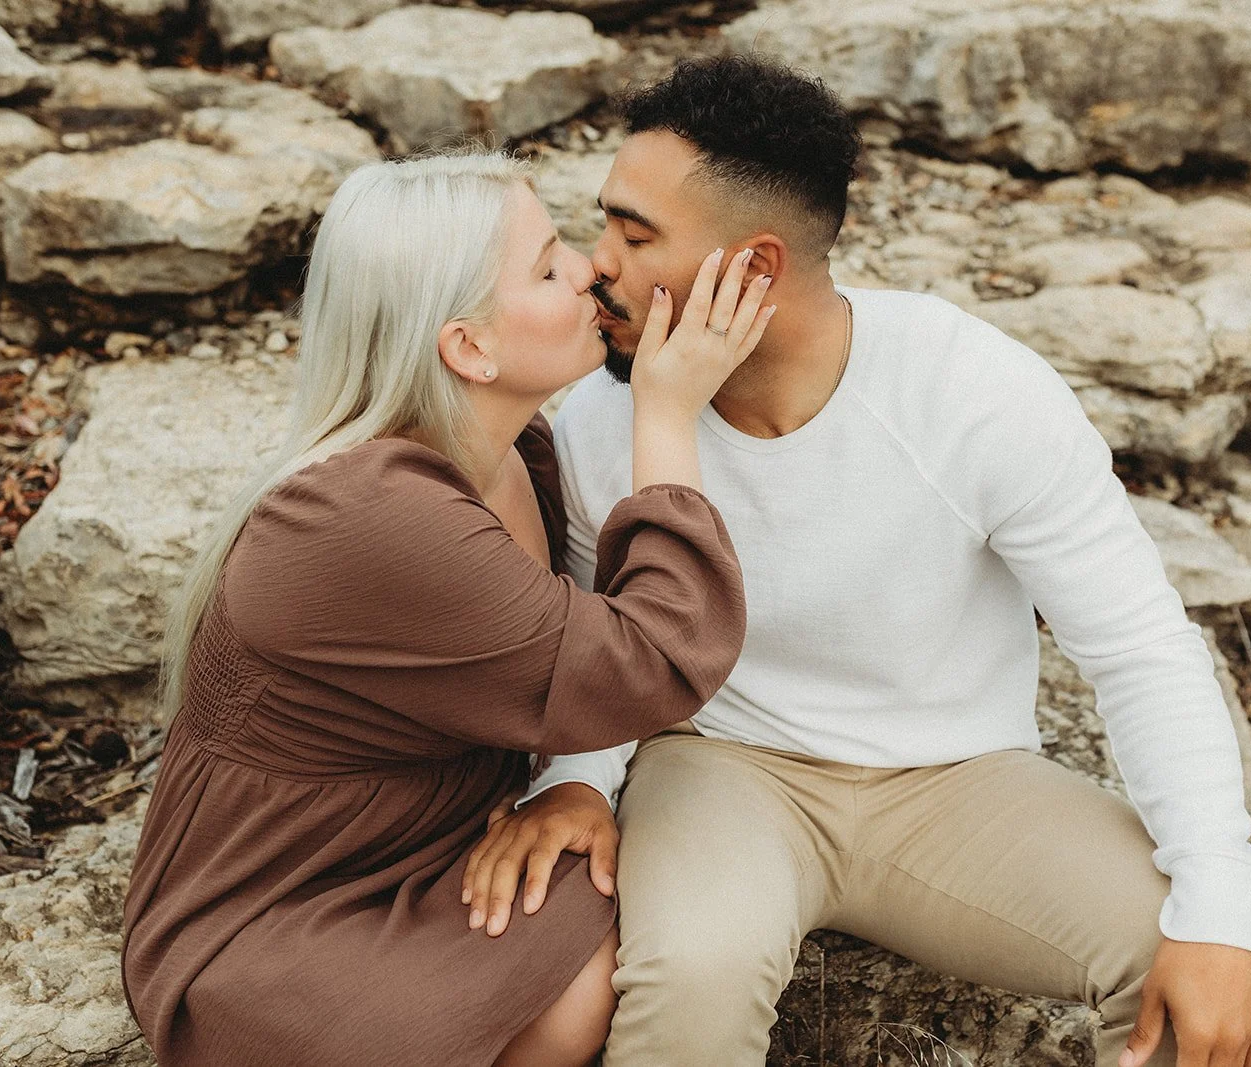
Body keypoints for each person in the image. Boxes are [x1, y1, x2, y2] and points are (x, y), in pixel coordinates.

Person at [462, 55, 1251, 1067]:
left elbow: (1140, 646)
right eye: (604, 227)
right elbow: (605, 635)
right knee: (689, 983)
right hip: (722, 771)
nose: (596, 265)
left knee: (1194, 952)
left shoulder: (971, 390)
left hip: (957, 782)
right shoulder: (595, 420)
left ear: (755, 268)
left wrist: (1221, 901)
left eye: (634, 236)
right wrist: (577, 781)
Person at [119, 150, 775, 1066]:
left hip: (435, 845)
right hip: (278, 912)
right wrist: (665, 412)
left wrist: (574, 786)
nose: (590, 267)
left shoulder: (513, 454)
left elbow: (565, 672)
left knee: (601, 933)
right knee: (590, 970)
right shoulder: (369, 516)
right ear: (468, 345)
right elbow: (655, 661)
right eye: (548, 267)